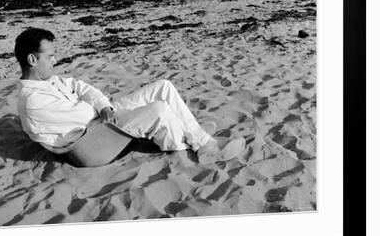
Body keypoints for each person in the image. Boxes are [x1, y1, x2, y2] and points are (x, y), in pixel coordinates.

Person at [15, 28, 246, 162]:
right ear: (32, 60)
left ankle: (195, 134)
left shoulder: (49, 80)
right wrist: (98, 106)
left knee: (163, 86)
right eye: (50, 56)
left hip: (101, 117)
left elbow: (82, 87)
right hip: (92, 140)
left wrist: (103, 104)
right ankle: (199, 146)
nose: (55, 61)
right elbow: (81, 115)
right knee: (159, 110)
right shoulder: (33, 101)